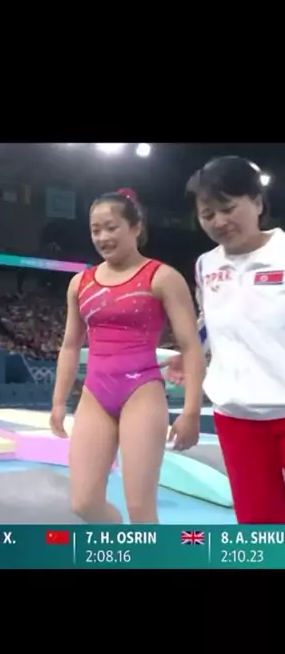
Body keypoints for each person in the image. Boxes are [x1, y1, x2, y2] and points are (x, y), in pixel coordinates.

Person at [50, 188, 204, 524]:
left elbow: (191, 346)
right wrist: (59, 402)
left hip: (142, 392)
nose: (102, 237)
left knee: (140, 508)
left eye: (111, 227)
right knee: (83, 503)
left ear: (136, 227)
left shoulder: (162, 277)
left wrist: (191, 411)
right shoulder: (80, 283)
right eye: (95, 230)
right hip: (95, 394)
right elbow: (71, 345)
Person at [163, 156, 285, 524]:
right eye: (207, 214)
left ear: (258, 203)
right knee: (259, 524)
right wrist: (190, 352)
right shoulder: (206, 265)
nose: (219, 221)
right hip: (236, 418)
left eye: (228, 208)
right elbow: (208, 320)